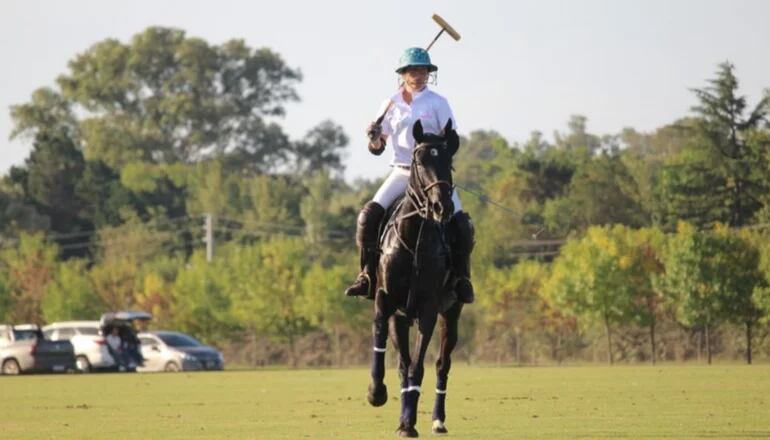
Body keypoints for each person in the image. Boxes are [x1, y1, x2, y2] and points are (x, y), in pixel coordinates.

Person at [344, 47, 475, 303]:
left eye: (423, 70)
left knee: (461, 224)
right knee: (367, 217)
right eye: (413, 71)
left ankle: (461, 279)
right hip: (402, 172)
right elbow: (378, 147)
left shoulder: (438, 102)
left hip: (431, 176)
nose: (418, 75)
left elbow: (452, 139)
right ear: (403, 74)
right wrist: (373, 138)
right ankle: (367, 275)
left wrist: (438, 162)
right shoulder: (390, 104)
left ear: (429, 74)